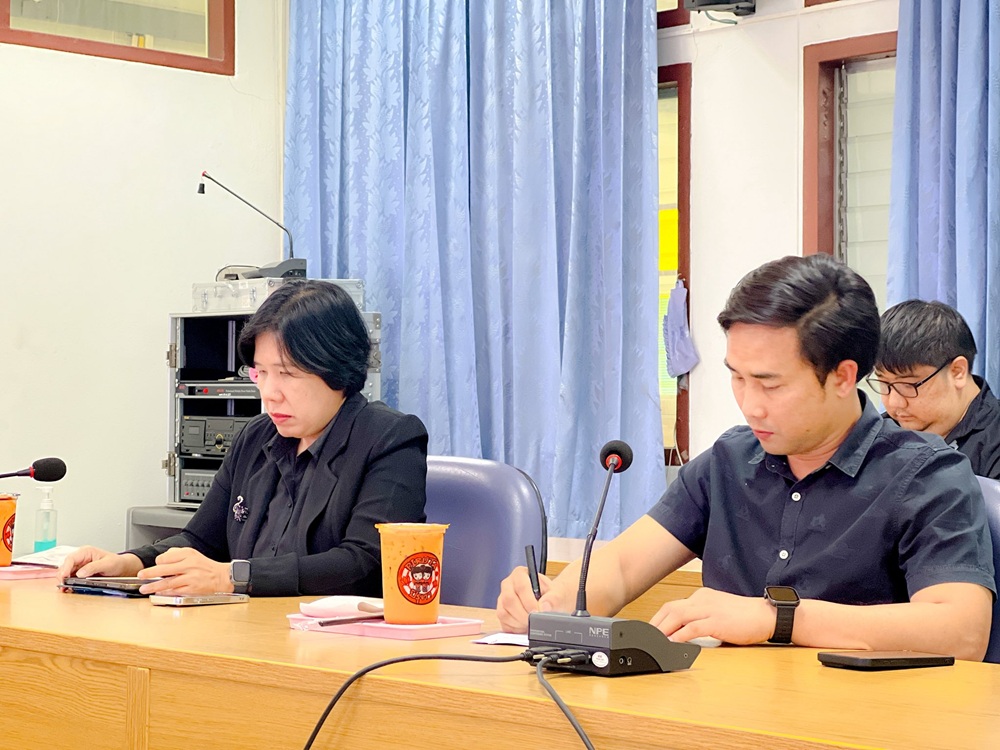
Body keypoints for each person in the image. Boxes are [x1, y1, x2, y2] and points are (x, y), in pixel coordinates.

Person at [497, 254, 996, 660]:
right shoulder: (729, 461)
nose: (749, 404)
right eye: (737, 377)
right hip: (724, 717)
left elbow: (961, 631)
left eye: (770, 384)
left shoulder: (926, 474)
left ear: (843, 377)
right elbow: (625, 567)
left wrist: (777, 619)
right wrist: (549, 605)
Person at [59, 280, 428, 597]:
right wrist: (130, 563)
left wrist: (233, 577)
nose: (269, 393)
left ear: (337, 368)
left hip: (336, 642)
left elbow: (367, 562)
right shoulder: (257, 436)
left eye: (287, 373)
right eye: (261, 373)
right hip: (248, 629)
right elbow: (202, 540)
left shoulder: (389, 438)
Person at [870, 299, 1000, 479]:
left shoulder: (994, 441)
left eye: (908, 386)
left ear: (957, 372)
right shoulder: (877, 436)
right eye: (885, 384)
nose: (894, 403)